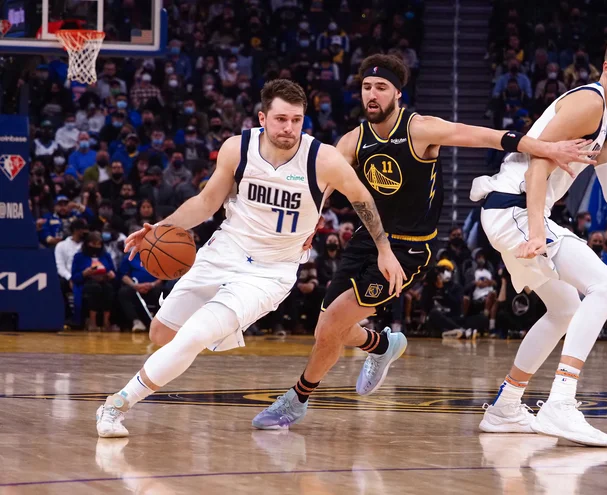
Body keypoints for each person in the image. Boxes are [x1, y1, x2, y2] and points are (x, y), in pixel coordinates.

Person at [252, 53, 597, 429]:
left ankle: (296, 400)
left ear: (397, 93)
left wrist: (545, 148)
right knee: (326, 331)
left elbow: (484, 136)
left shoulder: (420, 129)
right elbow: (321, 184)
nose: (372, 94)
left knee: (333, 321)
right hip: (369, 239)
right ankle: (383, 346)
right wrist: (307, 229)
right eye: (367, 87)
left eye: (381, 88)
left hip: (408, 248)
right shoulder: (353, 140)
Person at [95, 79, 406, 438]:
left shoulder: (322, 159)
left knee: (193, 336)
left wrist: (384, 249)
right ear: (263, 117)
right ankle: (379, 343)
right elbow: (206, 203)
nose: (289, 128)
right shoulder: (237, 148)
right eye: (280, 119)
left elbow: (362, 199)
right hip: (224, 250)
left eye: (296, 120)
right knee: (163, 333)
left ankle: (116, 405)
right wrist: (159, 227)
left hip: (270, 273)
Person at [472, 37, 607, 446]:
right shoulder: (588, 103)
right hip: (515, 208)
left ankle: (506, 407)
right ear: (606, 69)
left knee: (565, 308)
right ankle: (560, 402)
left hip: (516, 211)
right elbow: (539, 161)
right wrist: (538, 229)